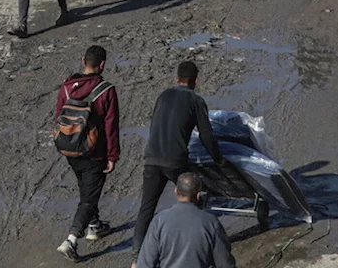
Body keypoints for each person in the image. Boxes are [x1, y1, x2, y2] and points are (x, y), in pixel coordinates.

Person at [132, 61, 224, 258]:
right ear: (196, 81)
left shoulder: (163, 96)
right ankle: (195, 244)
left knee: (147, 206)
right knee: (193, 197)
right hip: (175, 160)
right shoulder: (195, 101)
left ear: (176, 79)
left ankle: (137, 254)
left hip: (152, 157)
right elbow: (206, 135)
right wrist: (218, 159)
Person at [54, 45, 121, 262]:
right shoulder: (106, 90)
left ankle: (95, 225)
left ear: (83, 60)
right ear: (102, 65)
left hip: (70, 150)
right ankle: (71, 240)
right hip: (95, 153)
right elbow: (111, 126)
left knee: (86, 190)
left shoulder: (66, 88)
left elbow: (59, 117)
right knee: (88, 198)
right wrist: (113, 156)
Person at [135, 172, 237, 268]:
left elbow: (145, 263)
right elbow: (225, 263)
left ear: (176, 191)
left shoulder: (159, 221)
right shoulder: (211, 222)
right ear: (198, 195)